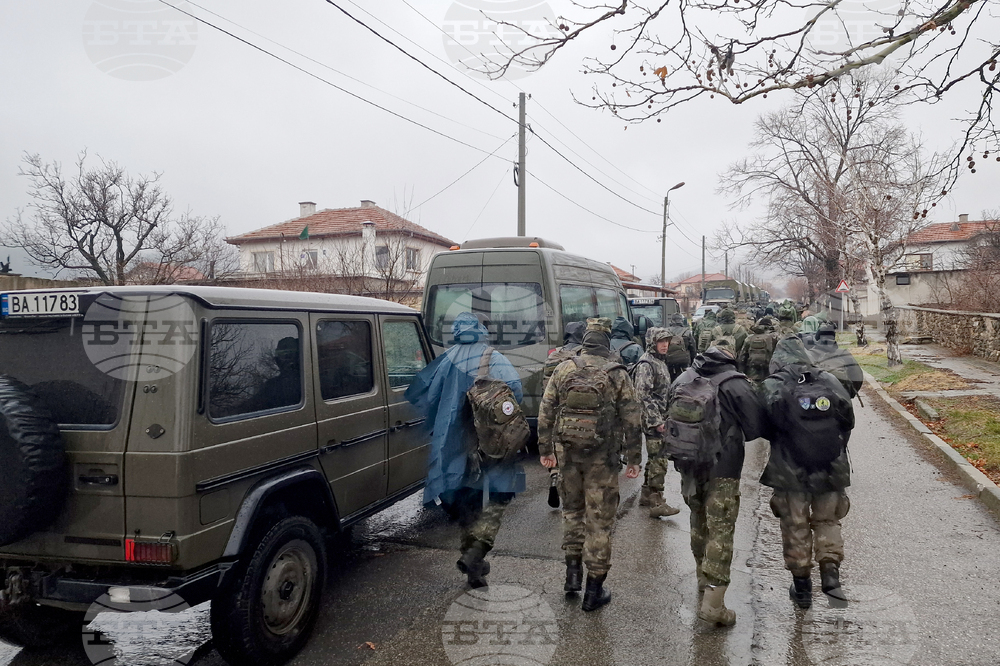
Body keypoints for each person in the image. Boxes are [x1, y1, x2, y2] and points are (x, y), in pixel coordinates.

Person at [405, 312, 525, 588]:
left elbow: (422, 394)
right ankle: (476, 554)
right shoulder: (492, 357)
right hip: (491, 443)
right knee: (497, 499)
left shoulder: (446, 359)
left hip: (457, 445)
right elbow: (515, 391)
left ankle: (473, 563)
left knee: (467, 502)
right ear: (482, 330)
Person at [537, 317, 642, 612]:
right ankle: (593, 591)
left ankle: (572, 577)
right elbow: (632, 419)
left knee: (571, 513)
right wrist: (634, 458)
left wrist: (546, 450)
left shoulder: (563, 367)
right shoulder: (617, 373)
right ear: (607, 341)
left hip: (567, 455)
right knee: (599, 522)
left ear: (585, 339)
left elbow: (545, 412)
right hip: (602, 460)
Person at [666, 345, 765, 627]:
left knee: (698, 520)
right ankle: (714, 604)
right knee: (721, 529)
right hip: (724, 466)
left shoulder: (683, 378)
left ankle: (702, 579)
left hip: (688, 465)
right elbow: (756, 426)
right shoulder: (736, 384)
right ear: (730, 359)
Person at [760, 336, 855, 609]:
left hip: (789, 469)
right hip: (830, 465)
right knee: (828, 521)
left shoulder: (773, 384)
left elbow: (761, 424)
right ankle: (831, 576)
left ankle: (802, 589)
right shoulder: (829, 380)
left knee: (795, 525)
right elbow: (848, 419)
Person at [632, 327, 682, 519]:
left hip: (660, 417)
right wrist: (656, 421)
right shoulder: (647, 363)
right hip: (653, 420)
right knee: (659, 460)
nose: (665, 344)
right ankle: (657, 501)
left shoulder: (659, 361)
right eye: (661, 341)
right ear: (652, 342)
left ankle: (646, 494)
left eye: (667, 341)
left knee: (654, 458)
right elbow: (642, 395)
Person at [541, 321, 587, 508]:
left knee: (556, 448)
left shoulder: (554, 356)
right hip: (574, 412)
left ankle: (554, 476)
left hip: (554, 408)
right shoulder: (582, 357)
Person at [738, 316, 778, 384]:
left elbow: (742, 357)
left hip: (752, 371)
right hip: (769, 371)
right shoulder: (775, 337)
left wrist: (741, 372)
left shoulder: (750, 338)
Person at [663, 313, 697, 381]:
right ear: (681, 321)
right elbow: (693, 349)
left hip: (669, 361)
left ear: (672, 321)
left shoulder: (666, 332)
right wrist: (692, 361)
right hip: (684, 362)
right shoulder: (687, 332)